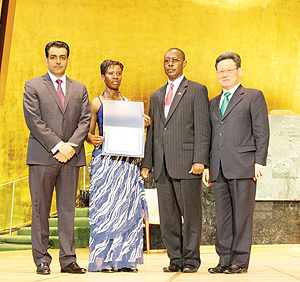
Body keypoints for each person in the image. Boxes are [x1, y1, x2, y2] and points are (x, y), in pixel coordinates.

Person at [23, 41, 91, 275]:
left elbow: (85, 121)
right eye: (53, 57)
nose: (58, 61)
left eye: (62, 57)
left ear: (68, 60)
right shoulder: (32, 86)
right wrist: (58, 146)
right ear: (46, 60)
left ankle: (68, 259)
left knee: (67, 211)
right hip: (43, 157)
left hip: (72, 157)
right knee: (41, 210)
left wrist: (70, 146)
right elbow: (34, 120)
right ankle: (42, 259)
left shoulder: (80, 88)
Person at [141, 48, 211, 273]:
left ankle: (191, 259)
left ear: (184, 63)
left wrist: (200, 159)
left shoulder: (197, 90)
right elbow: (152, 133)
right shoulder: (156, 95)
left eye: (175, 60)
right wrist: (147, 163)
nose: (170, 64)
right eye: (166, 61)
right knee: (168, 218)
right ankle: (176, 259)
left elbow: (202, 127)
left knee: (190, 215)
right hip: (162, 167)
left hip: (187, 164)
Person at [203, 51, 269, 274]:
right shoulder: (213, 102)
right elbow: (211, 136)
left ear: (239, 71)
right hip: (218, 168)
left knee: (242, 216)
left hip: (244, 166)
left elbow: (261, 131)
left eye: (229, 70)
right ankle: (224, 259)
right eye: (221, 71)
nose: (225, 75)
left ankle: (239, 261)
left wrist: (258, 161)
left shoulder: (253, 96)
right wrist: (207, 165)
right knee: (222, 217)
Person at [87, 59, 150, 273]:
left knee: (127, 210)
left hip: (127, 165)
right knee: (105, 211)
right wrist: (91, 138)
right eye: (110, 73)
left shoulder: (129, 103)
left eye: (118, 73)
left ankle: (125, 260)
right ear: (103, 76)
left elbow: (135, 134)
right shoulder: (96, 102)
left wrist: (144, 124)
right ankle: (103, 260)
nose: (115, 76)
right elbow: (87, 132)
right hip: (105, 163)